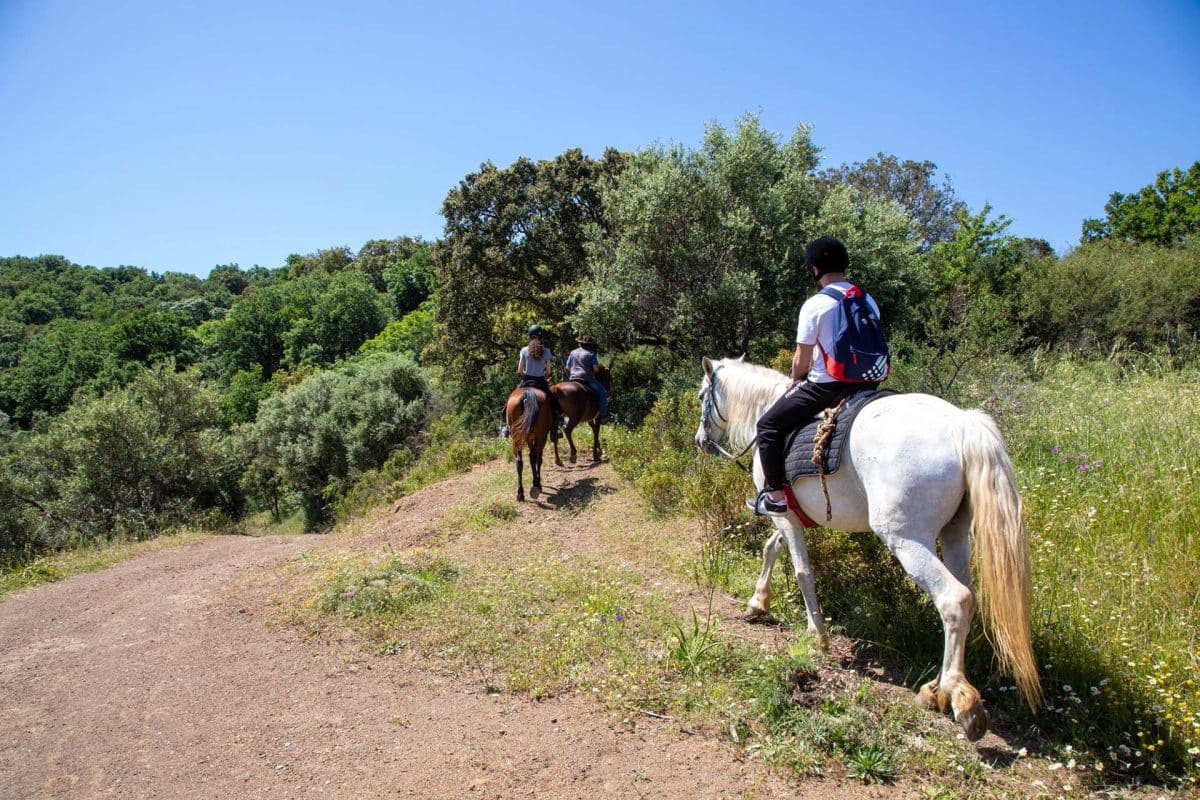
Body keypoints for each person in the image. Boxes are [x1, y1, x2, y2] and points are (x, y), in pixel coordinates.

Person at [747, 236, 887, 516]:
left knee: (768, 427)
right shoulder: (867, 299)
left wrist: (795, 379)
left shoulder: (816, 304)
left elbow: (802, 358)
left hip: (828, 386)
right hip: (870, 383)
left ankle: (774, 496)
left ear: (814, 269)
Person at [502, 324, 561, 438]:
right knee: (554, 404)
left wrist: (526, 374)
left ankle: (506, 427)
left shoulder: (524, 350)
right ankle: (554, 430)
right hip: (541, 383)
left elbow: (520, 370)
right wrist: (543, 376)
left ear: (529, 336)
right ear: (541, 336)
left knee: (510, 400)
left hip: (526, 381)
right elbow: (548, 371)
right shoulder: (546, 351)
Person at [566, 335, 614, 423]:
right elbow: (595, 369)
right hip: (586, 378)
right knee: (603, 392)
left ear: (580, 344)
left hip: (573, 378)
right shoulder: (591, 354)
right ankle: (604, 415)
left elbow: (567, 367)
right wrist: (591, 372)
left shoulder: (572, 352)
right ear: (590, 345)